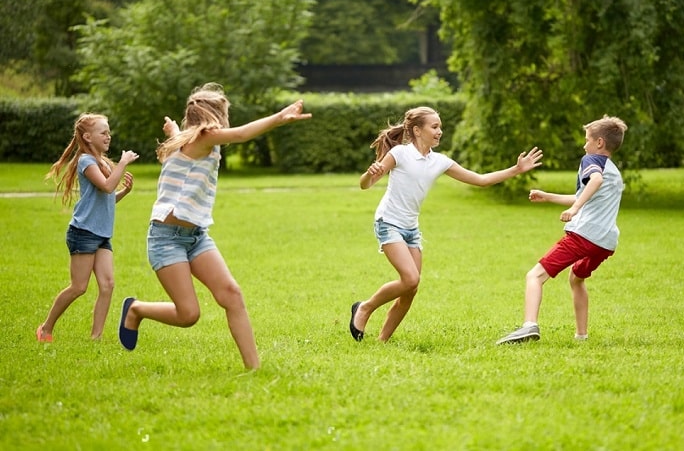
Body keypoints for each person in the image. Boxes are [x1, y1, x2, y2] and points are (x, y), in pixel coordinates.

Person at [117, 83, 311, 370]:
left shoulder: (185, 139)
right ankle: (135, 309)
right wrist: (279, 117)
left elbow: (182, 146)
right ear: (216, 116)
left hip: (195, 236)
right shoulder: (207, 137)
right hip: (166, 238)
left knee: (231, 294)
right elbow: (243, 134)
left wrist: (172, 131)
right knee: (188, 315)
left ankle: (254, 368)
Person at [349, 106, 544, 342]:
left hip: (411, 229)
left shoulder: (439, 161)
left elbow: (480, 180)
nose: (440, 131)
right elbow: (365, 185)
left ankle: (382, 341)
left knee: (411, 289)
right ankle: (365, 308)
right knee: (410, 278)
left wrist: (517, 169)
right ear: (417, 130)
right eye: (435, 127)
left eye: (440, 127)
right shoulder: (400, 154)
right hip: (388, 222)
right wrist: (370, 174)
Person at [496, 115, 627, 344]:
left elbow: (593, 182)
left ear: (599, 143)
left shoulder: (591, 159)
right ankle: (581, 336)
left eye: (587, 139)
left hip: (584, 235)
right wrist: (547, 197)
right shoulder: (614, 171)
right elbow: (586, 195)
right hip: (605, 242)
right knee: (576, 278)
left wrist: (575, 208)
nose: (584, 144)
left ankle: (529, 326)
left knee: (534, 276)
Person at [36, 113, 139, 342]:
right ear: (87, 137)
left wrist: (125, 192)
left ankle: (96, 338)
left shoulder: (101, 161)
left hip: (102, 234)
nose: (108, 136)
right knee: (79, 287)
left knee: (107, 284)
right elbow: (106, 186)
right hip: (83, 233)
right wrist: (122, 164)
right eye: (103, 132)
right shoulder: (86, 161)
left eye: (108, 132)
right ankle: (45, 328)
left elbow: (107, 197)